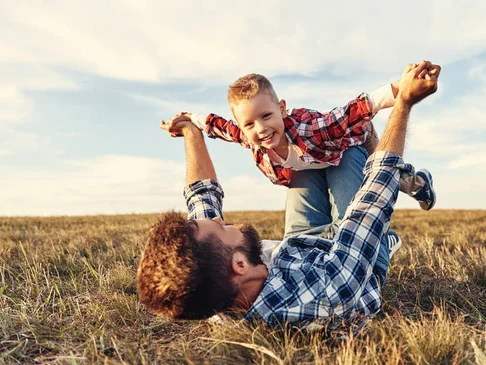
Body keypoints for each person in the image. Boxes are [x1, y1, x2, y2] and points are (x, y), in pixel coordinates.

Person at [137, 61, 441, 327]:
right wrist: (403, 101)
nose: (219, 220)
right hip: (348, 251)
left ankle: (399, 181)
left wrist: (191, 130)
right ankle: (401, 210)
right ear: (240, 265)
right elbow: (371, 203)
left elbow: (203, 200)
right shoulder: (329, 293)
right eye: (220, 226)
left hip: (300, 240)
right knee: (347, 158)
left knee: (303, 161)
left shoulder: (212, 290)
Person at [164, 68, 437, 244]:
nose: (261, 128)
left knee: (385, 176)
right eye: (249, 124)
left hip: (348, 144)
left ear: (282, 109)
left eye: (267, 116)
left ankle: (418, 185)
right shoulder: (251, 139)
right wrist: (189, 119)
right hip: (312, 163)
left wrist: (402, 86)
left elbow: (357, 110)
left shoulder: (311, 130)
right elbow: (218, 126)